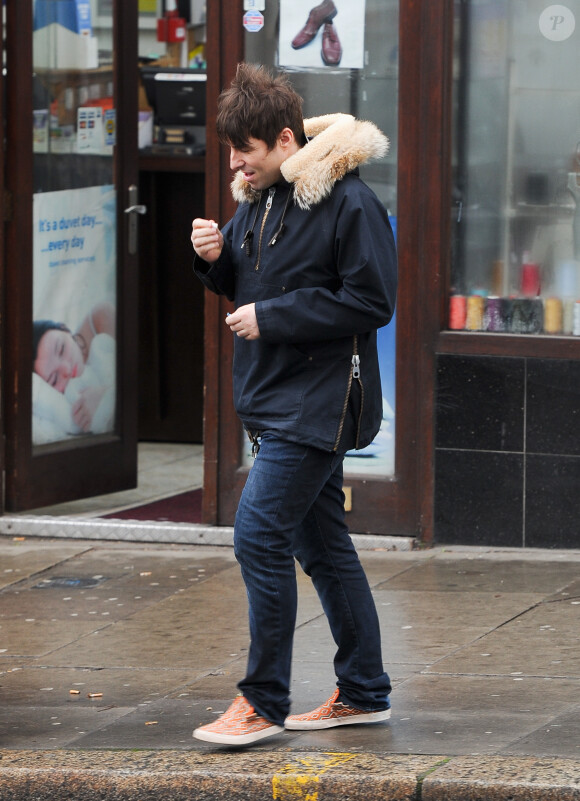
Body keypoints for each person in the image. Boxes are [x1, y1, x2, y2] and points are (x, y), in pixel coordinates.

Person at [190, 63, 397, 747]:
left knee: (258, 533)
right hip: (273, 396)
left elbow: (372, 302)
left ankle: (262, 700)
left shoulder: (351, 202)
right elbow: (247, 284)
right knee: (321, 544)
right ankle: (364, 689)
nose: (236, 166)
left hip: (318, 401)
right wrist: (216, 258)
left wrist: (272, 316)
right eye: (230, 154)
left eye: (244, 152)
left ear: (284, 139)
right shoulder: (259, 194)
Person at [33, 301, 115, 433]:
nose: (66, 369)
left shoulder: (101, 317)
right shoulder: (69, 398)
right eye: (54, 379)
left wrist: (106, 396)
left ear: (64, 329)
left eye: (61, 349)